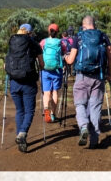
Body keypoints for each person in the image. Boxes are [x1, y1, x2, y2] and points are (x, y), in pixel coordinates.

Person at [64, 15, 111, 148]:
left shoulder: (78, 37)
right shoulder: (103, 36)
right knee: (95, 106)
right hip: (99, 77)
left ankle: (83, 126)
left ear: (84, 25)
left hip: (82, 76)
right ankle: (94, 139)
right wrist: (110, 74)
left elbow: (71, 60)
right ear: (94, 24)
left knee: (80, 104)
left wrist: (66, 57)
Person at [4, 23, 43, 153]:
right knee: (29, 111)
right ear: (30, 33)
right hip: (29, 82)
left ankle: (21, 139)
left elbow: (6, 65)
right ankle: (22, 134)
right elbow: (41, 64)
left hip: (14, 81)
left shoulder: (12, 42)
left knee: (20, 111)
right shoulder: (34, 44)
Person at [39, 23, 65, 123]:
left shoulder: (43, 42)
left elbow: (39, 52)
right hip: (57, 70)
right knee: (54, 92)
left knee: (46, 92)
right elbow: (64, 52)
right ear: (57, 32)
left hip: (45, 70)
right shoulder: (60, 42)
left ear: (49, 31)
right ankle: (52, 114)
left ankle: (46, 109)